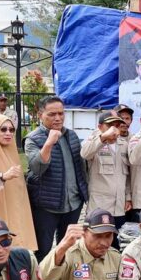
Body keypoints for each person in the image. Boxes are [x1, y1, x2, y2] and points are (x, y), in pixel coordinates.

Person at [25, 95, 89, 262]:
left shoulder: (72, 136)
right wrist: (49, 143)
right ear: (40, 115)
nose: (58, 118)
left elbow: (80, 168)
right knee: (43, 250)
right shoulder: (33, 138)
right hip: (46, 206)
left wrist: (83, 194)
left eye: (61, 113)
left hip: (73, 203)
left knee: (68, 247)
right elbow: (37, 167)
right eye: (52, 114)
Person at [0, 115, 37, 251]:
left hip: (16, 205)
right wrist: (3, 177)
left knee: (19, 245)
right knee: (1, 247)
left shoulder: (11, 150)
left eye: (11, 130)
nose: (8, 133)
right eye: (3, 129)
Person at [82, 112, 132, 230]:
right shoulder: (93, 141)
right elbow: (85, 154)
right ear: (100, 127)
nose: (114, 129)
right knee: (98, 242)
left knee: (117, 243)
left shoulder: (124, 145)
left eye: (117, 125)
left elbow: (128, 175)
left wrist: (128, 196)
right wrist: (103, 137)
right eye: (110, 125)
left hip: (120, 206)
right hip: (100, 206)